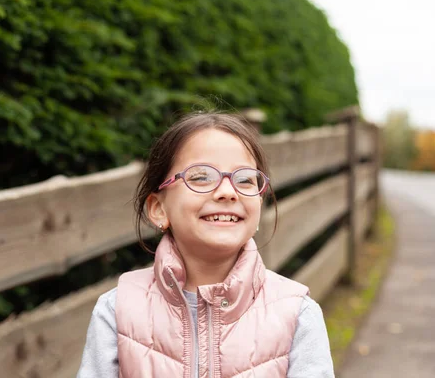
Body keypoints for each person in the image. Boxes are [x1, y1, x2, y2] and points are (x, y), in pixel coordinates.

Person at [76, 112, 335, 377]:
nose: (227, 191)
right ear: (158, 208)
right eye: (201, 177)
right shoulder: (117, 310)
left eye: (245, 179)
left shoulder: (298, 315)